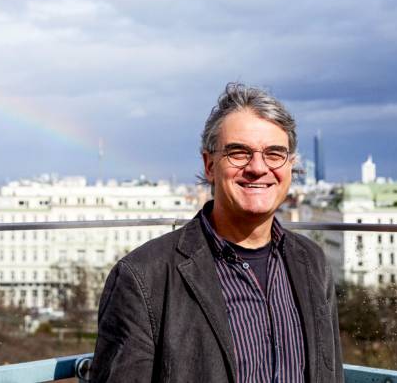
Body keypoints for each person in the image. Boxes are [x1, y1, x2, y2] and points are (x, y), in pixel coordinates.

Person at [91, 82, 343, 382]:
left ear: (291, 167)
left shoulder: (312, 262)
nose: (258, 168)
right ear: (210, 165)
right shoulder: (144, 277)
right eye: (239, 153)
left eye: (275, 154)